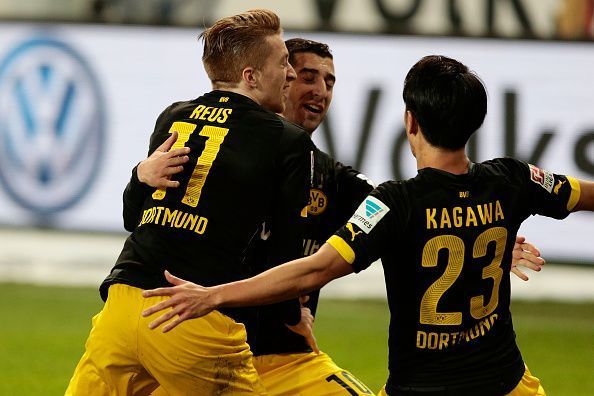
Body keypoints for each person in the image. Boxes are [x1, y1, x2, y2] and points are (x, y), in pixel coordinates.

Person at [141, 55, 594, 395]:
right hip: (508, 385)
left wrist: (213, 294)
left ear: (410, 121)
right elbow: (583, 194)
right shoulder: (512, 179)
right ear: (474, 122)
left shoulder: (393, 205)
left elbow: (314, 269)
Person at [66, 9, 313, 395]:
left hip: (122, 303)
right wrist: (290, 318)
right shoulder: (287, 140)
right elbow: (284, 248)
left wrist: (138, 175)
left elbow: (134, 217)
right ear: (251, 76)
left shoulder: (174, 116)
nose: (292, 75)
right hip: (190, 312)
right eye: (283, 64)